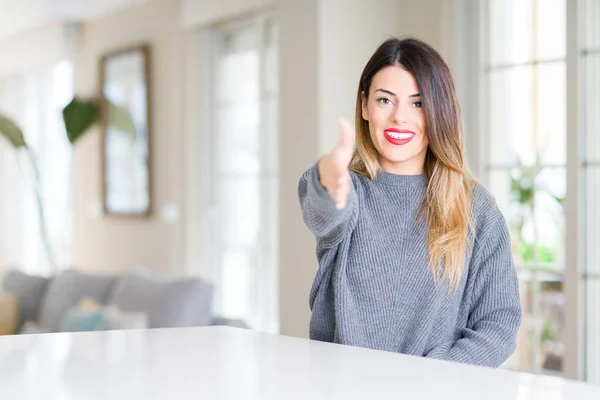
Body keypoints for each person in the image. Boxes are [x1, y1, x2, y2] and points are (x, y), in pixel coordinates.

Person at [298, 37, 522, 368]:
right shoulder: (350, 189)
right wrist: (328, 178)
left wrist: (428, 380)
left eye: (417, 104)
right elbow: (324, 212)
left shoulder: (477, 209)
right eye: (385, 100)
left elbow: (498, 325)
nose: (399, 117)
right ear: (364, 106)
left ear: (438, 111)